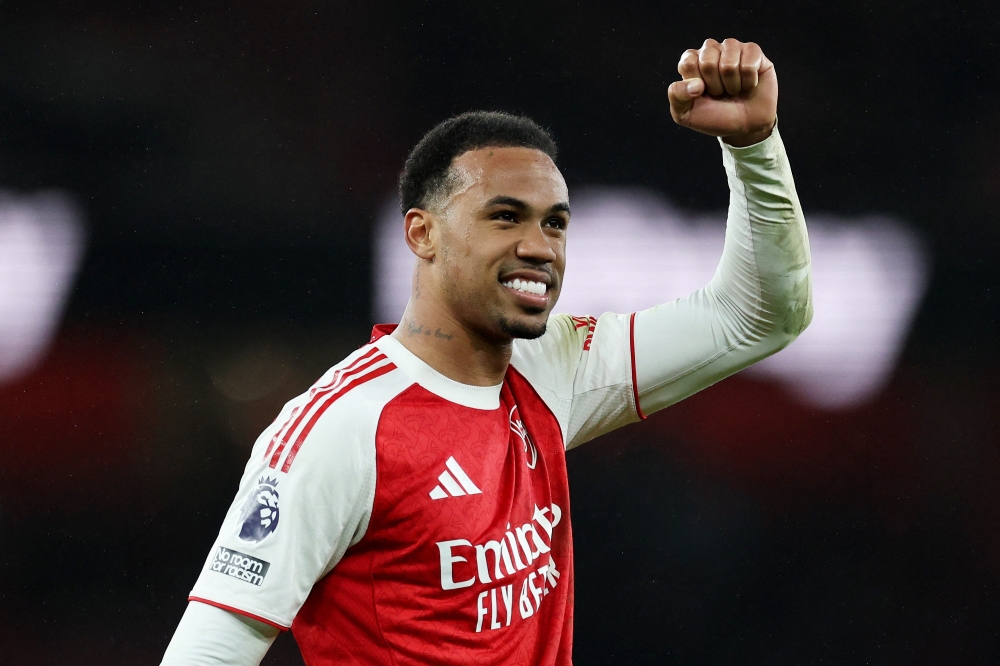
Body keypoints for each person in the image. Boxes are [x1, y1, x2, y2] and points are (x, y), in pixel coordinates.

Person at [161, 37, 812, 665]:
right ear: (423, 234)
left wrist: (752, 145)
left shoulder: (553, 366)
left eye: (554, 221)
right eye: (504, 217)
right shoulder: (339, 432)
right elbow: (208, 651)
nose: (540, 245)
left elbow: (759, 315)